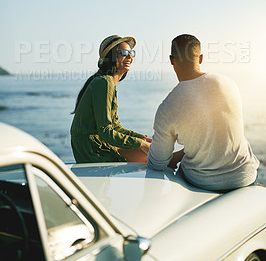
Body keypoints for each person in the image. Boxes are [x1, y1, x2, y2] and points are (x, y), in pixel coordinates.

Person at [147, 34, 259, 191]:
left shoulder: (168, 107)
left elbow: (157, 163)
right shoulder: (229, 83)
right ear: (200, 58)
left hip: (201, 183)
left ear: (172, 60)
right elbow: (214, 137)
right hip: (244, 177)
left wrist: (152, 147)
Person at [71, 35, 151, 163]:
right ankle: (184, 156)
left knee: (150, 155)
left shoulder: (108, 83)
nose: (129, 57)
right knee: (152, 157)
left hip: (97, 143)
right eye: (124, 53)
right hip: (92, 149)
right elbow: (106, 132)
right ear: (111, 56)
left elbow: (115, 127)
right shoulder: (104, 83)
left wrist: (143, 139)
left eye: (131, 53)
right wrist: (142, 144)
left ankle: (181, 156)